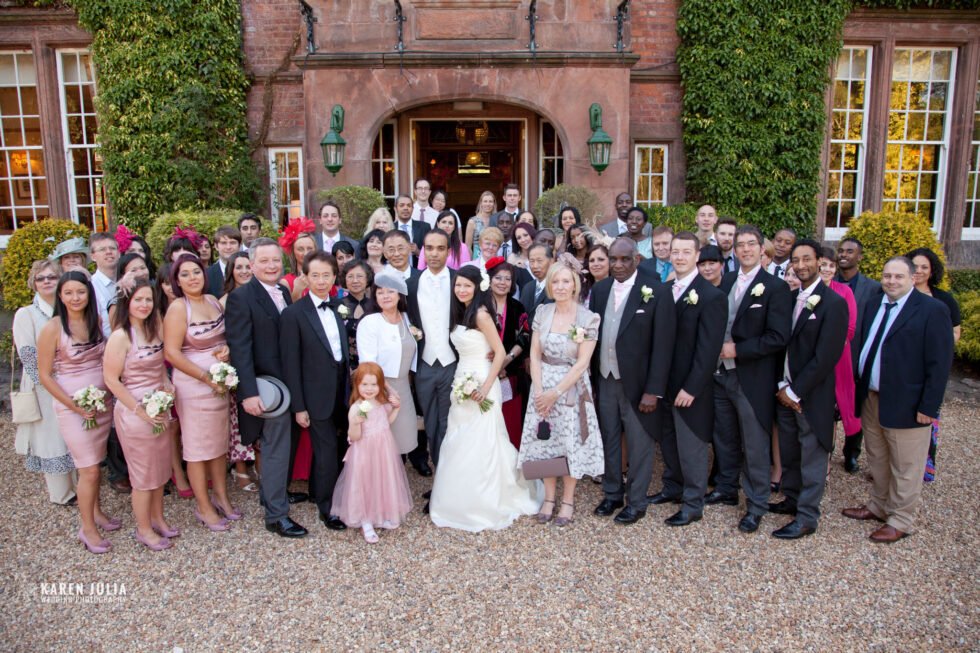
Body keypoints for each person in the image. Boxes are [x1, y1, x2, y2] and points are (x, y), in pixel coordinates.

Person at [843, 257, 953, 543]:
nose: (891, 281)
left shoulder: (932, 310)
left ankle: (901, 519)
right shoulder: (874, 304)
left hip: (908, 401)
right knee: (877, 457)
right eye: (887, 275)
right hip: (871, 396)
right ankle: (879, 505)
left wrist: (930, 407)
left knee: (906, 465)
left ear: (913, 277)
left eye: (898, 276)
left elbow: (940, 363)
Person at [429, 265, 542, 531]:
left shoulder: (481, 314)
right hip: (462, 380)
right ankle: (459, 497)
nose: (461, 290)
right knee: (459, 435)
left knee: (483, 438)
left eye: (467, 285)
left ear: (477, 287)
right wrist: (466, 384)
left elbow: (500, 353)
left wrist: (485, 386)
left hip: (484, 381)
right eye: (458, 285)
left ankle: (487, 498)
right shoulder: (459, 311)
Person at [710, 225, 791, 534]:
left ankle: (756, 504)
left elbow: (778, 337)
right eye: (740, 245)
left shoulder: (775, 287)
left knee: (754, 444)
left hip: (751, 377)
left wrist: (738, 350)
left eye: (750, 244)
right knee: (725, 437)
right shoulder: (727, 280)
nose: (744, 249)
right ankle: (727, 489)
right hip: (720, 375)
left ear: (761, 249)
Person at [590, 238, 676, 524]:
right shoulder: (600, 290)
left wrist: (654, 390)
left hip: (639, 384)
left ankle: (636, 501)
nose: (617, 265)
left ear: (636, 259)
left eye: (624, 259)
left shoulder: (656, 291)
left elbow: (664, 346)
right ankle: (612, 493)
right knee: (609, 439)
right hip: (605, 378)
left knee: (640, 444)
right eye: (613, 259)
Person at [226, 238, 308, 538]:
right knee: (275, 448)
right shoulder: (241, 298)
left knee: (284, 446)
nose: (272, 265)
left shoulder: (284, 291)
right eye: (264, 261)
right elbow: (240, 349)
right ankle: (276, 515)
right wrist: (248, 393)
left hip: (288, 384)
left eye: (276, 260)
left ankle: (275, 495)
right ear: (252, 264)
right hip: (266, 388)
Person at [769, 239, 848, 540]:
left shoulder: (834, 304)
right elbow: (781, 345)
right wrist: (781, 385)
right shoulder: (789, 299)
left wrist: (796, 390)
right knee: (789, 451)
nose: (801, 265)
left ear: (819, 261)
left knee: (812, 456)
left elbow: (827, 356)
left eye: (807, 259)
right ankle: (792, 498)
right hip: (783, 389)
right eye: (796, 261)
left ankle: (807, 517)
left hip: (809, 395)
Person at [648, 232, 726, 527]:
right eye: (675, 252)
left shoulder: (711, 296)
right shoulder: (664, 290)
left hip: (691, 387)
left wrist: (691, 388)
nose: (678, 257)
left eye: (685, 252)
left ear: (696, 256)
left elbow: (708, 350)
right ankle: (672, 487)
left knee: (691, 444)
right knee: (668, 439)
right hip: (663, 383)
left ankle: (693, 503)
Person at [37, 271, 116, 554]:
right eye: (69, 293)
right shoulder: (53, 328)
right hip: (73, 406)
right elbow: (45, 375)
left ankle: (96, 512)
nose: (75, 298)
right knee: (90, 469)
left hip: (100, 403)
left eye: (80, 292)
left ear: (88, 294)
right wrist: (74, 405)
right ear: (60, 296)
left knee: (95, 462)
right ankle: (87, 528)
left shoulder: (94, 322)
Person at [519, 261, 604, 526]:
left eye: (566, 281)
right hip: (542, 385)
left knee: (569, 443)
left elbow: (582, 363)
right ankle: (548, 499)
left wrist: (555, 392)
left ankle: (567, 501)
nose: (561, 286)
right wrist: (540, 390)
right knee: (546, 442)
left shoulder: (588, 318)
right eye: (555, 281)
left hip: (570, 390)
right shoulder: (543, 312)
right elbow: (534, 353)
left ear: (575, 284)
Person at [163, 254, 239, 532]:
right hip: (194, 386)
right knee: (197, 449)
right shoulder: (178, 309)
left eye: (196, 272)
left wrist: (226, 351)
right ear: (177, 280)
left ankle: (221, 495)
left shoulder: (212, 301)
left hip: (220, 384)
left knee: (219, 445)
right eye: (185, 274)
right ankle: (203, 506)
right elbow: (171, 352)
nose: (192, 277)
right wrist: (206, 377)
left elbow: (224, 337)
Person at [103, 279, 178, 551]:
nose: (144, 304)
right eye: (138, 300)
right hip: (134, 410)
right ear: (127, 303)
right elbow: (112, 380)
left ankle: (158, 518)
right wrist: (140, 410)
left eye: (148, 299)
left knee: (160, 468)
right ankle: (143, 528)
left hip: (159, 405)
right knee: (143, 475)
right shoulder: (121, 337)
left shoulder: (155, 328)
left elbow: (159, 366)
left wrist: (167, 388)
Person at [280, 251, 350, 532]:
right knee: (326, 450)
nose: (321, 281)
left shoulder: (339, 306)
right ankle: (328, 507)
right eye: (315, 275)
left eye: (326, 275)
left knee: (340, 445)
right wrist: (299, 406)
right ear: (305, 277)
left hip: (341, 392)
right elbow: (290, 364)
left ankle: (321, 491)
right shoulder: (293, 314)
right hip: (313, 395)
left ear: (335, 276)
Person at [13, 260, 76, 506]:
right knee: (51, 436)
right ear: (34, 283)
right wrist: (49, 382)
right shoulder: (25, 314)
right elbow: (27, 354)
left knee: (72, 433)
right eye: (41, 278)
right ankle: (62, 493)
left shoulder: (68, 310)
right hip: (43, 384)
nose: (47, 281)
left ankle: (80, 485)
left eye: (52, 277)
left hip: (72, 380)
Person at [331, 362, 413, 543]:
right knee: (365, 483)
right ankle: (365, 519)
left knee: (381, 480)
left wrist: (396, 408)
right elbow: (355, 436)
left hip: (383, 449)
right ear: (357, 385)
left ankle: (379, 514)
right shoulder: (356, 408)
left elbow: (386, 422)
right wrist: (355, 423)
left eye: (374, 384)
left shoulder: (380, 403)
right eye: (364, 384)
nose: (369, 389)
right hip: (364, 451)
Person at [406, 229, 460, 475]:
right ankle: (439, 474)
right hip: (424, 363)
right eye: (429, 248)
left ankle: (448, 477)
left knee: (450, 421)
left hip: (453, 362)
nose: (434, 253)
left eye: (440, 248)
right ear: (423, 250)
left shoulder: (460, 280)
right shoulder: (411, 284)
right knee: (430, 422)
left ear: (449, 252)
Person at [906, 247, 961, 482]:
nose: (919, 271)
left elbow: (954, 333)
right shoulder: (895, 294)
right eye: (915, 266)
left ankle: (925, 466)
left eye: (924, 267)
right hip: (903, 367)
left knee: (926, 417)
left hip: (928, 366)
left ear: (932, 271)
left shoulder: (943, 300)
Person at [358, 272, 422, 469]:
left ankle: (394, 483)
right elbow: (368, 363)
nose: (385, 296)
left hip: (403, 385)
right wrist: (388, 392)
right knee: (379, 441)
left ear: (400, 294)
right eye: (380, 292)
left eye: (390, 291)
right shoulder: (370, 322)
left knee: (402, 439)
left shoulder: (407, 318)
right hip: (378, 389)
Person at [835, 237, 882, 470]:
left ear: (859, 257)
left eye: (850, 252)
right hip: (833, 355)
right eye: (841, 251)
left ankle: (851, 452)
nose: (844, 255)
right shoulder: (827, 282)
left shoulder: (873, 288)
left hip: (858, 354)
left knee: (856, 408)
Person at [218, 251, 259, 492]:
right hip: (233, 364)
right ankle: (240, 468)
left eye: (247, 266)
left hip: (254, 362)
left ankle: (254, 464)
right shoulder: (224, 300)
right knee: (237, 420)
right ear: (230, 271)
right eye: (238, 267)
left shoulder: (258, 294)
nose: (244, 271)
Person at [818, 247, 861, 471]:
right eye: (822, 264)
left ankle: (827, 461)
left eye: (830, 266)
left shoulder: (844, 292)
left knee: (833, 408)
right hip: (808, 356)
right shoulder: (805, 289)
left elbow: (850, 329)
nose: (826, 269)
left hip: (837, 358)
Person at [486, 257, 530, 446]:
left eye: (507, 279)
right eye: (498, 278)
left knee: (510, 419)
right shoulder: (480, 305)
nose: (503, 283)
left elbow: (525, 336)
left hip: (510, 373)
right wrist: (493, 363)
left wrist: (506, 360)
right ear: (489, 279)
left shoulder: (517, 306)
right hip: (484, 371)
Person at [338, 260, 373, 372]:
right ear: (344, 279)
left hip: (371, 365)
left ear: (367, 279)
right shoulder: (338, 306)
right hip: (345, 367)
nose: (355, 281)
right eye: (350, 276)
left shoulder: (375, 306)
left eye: (360, 276)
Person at [279, 217, 317, 301]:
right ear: (293, 252)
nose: (306, 253)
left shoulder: (323, 277)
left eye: (309, 248)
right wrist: (297, 291)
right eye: (300, 249)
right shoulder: (286, 282)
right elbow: (288, 312)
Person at [520, 243, 555, 326]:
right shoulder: (527, 287)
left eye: (539, 261)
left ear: (551, 261)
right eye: (531, 261)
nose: (535, 266)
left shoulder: (557, 287)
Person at [207, 225, 243, 298]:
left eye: (232, 243)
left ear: (239, 245)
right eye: (223, 243)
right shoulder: (206, 275)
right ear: (216, 246)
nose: (228, 247)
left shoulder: (250, 272)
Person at [394, 193, 430, 264]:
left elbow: (431, 253)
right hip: (395, 271)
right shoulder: (390, 228)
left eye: (409, 205)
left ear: (413, 209)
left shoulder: (425, 227)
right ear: (395, 209)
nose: (405, 208)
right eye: (402, 205)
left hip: (418, 271)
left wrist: (418, 252)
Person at [465, 190, 496, 259]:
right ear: (481, 203)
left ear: (494, 204)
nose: (488, 204)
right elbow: (468, 247)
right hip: (477, 257)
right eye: (485, 201)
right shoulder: (472, 221)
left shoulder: (496, 220)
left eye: (490, 201)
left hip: (494, 257)